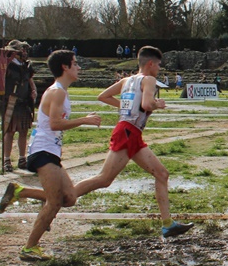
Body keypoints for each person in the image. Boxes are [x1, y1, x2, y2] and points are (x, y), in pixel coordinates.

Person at [68, 46, 194, 239]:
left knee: (161, 173)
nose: (159, 69)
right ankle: (60, 199)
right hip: (128, 132)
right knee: (103, 179)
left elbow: (102, 96)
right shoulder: (149, 80)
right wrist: (157, 105)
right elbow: (146, 105)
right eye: (159, 65)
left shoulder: (127, 80)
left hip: (129, 131)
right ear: (150, 64)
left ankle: (168, 224)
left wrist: (126, 107)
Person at [0, 50, 102, 260]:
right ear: (65, 67)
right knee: (54, 203)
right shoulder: (57, 92)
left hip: (50, 151)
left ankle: (20, 191)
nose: (79, 68)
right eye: (75, 63)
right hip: (43, 150)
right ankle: (29, 247)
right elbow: (54, 123)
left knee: (69, 197)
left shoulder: (61, 91)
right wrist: (84, 120)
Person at [0, 40, 37, 173]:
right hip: (11, 102)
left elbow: (30, 80)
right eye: (22, 50)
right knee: (9, 132)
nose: (25, 53)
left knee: (23, 131)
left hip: (24, 102)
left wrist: (33, 90)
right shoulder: (7, 66)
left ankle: (22, 159)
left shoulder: (26, 66)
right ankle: (6, 160)